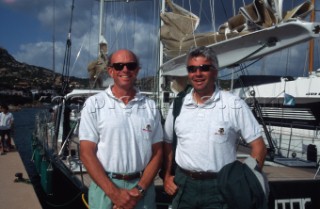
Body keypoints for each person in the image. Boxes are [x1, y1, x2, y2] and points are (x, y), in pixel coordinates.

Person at [163, 46, 267, 209]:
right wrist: (167, 175)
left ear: (215, 71)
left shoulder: (233, 104)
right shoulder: (178, 105)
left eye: (204, 68)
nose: (197, 73)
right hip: (183, 186)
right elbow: (168, 142)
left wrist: (247, 182)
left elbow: (259, 147)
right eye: (192, 69)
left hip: (220, 188)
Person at [79, 49, 163, 209]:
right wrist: (115, 194)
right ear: (111, 71)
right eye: (119, 66)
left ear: (137, 70)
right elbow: (86, 152)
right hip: (105, 186)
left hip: (142, 188)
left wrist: (140, 189)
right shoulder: (94, 104)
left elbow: (157, 152)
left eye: (131, 65)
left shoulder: (150, 106)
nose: (125, 70)